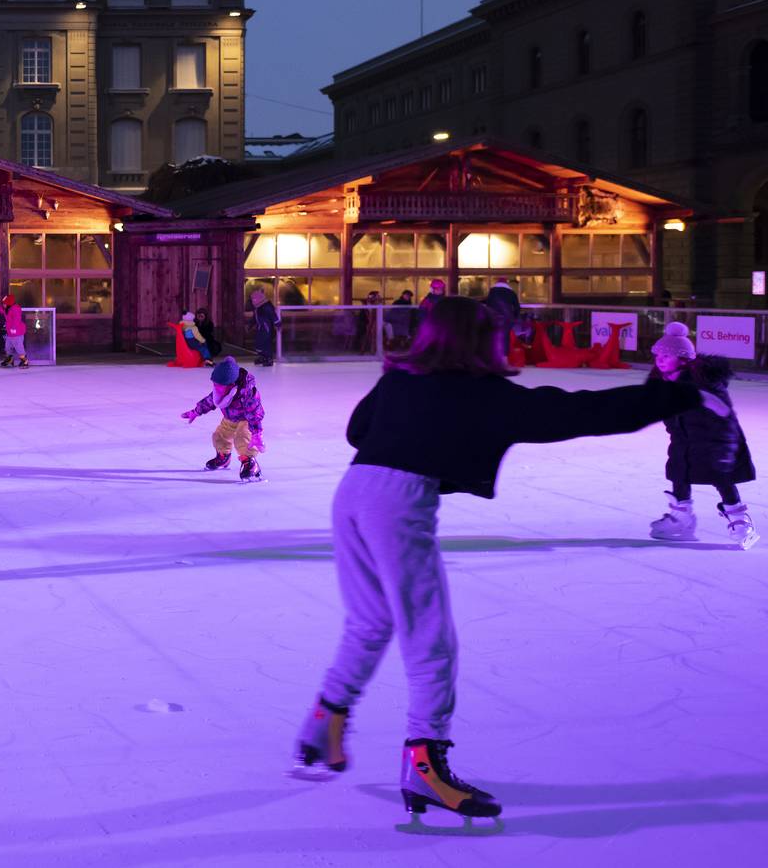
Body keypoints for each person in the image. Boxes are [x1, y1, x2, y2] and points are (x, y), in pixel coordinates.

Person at [291, 297, 716, 825]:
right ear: (480, 339)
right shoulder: (485, 395)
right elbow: (581, 412)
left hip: (352, 493)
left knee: (371, 620)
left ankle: (323, 723)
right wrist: (673, 396)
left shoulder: (401, 378)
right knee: (431, 641)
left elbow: (358, 432)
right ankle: (426, 765)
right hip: (397, 503)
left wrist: (422, 439)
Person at [646, 322, 757, 548]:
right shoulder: (661, 381)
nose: (661, 359)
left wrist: (725, 451)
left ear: (684, 359)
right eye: (659, 354)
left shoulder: (704, 384)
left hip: (716, 440)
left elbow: (726, 420)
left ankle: (740, 521)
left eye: (668, 355)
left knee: (721, 477)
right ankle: (681, 519)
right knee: (679, 473)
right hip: (683, 439)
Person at [181, 356, 264, 480]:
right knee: (219, 436)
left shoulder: (247, 393)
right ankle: (223, 457)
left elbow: (255, 413)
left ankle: (250, 463)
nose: (217, 387)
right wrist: (195, 412)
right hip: (230, 418)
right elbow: (210, 401)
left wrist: (257, 433)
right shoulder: (220, 388)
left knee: (242, 439)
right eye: (215, 384)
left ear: (231, 384)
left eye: (220, 385)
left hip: (247, 420)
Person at [0, 294, 29, 367]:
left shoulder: (16, 308)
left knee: (19, 347)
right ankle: (9, 359)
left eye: (4, 303)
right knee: (7, 347)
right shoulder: (6, 309)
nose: (3, 305)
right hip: (10, 333)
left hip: (17, 332)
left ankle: (24, 361)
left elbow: (17, 319)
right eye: (3, 303)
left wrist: (14, 328)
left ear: (9, 304)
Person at [483, 278, 520, 349]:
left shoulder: (492, 291)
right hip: (507, 318)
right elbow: (517, 307)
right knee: (505, 337)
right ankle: (504, 356)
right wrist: (515, 318)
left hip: (493, 317)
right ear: (506, 283)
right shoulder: (511, 292)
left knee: (493, 337)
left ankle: (494, 354)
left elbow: (487, 304)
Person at [249, 288, 279, 366]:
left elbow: (273, 315)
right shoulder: (257, 309)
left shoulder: (266, 307)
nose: (252, 301)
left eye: (253, 299)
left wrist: (277, 322)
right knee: (259, 343)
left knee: (265, 343)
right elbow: (254, 318)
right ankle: (263, 356)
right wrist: (250, 325)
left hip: (267, 328)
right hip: (260, 328)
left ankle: (268, 358)